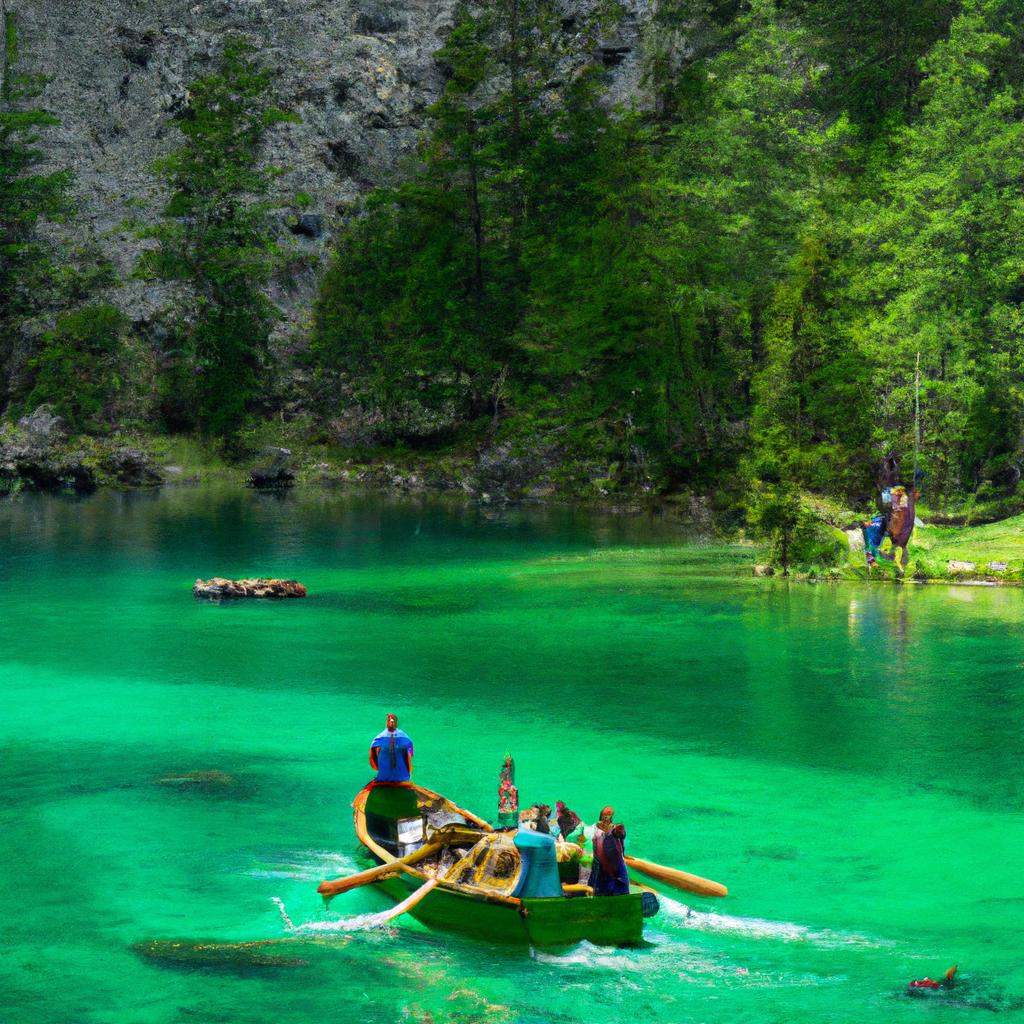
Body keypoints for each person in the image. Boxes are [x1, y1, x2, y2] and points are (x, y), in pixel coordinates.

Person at [590, 806, 629, 896]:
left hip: (612, 862)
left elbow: (621, 837)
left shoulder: (615, 829)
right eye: (605, 815)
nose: (606, 818)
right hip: (603, 863)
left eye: (608, 815)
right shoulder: (596, 829)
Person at [368, 713, 413, 782]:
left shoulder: (379, 738)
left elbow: (372, 759)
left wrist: (377, 767)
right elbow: (409, 755)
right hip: (403, 777)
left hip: (383, 778)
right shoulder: (405, 738)